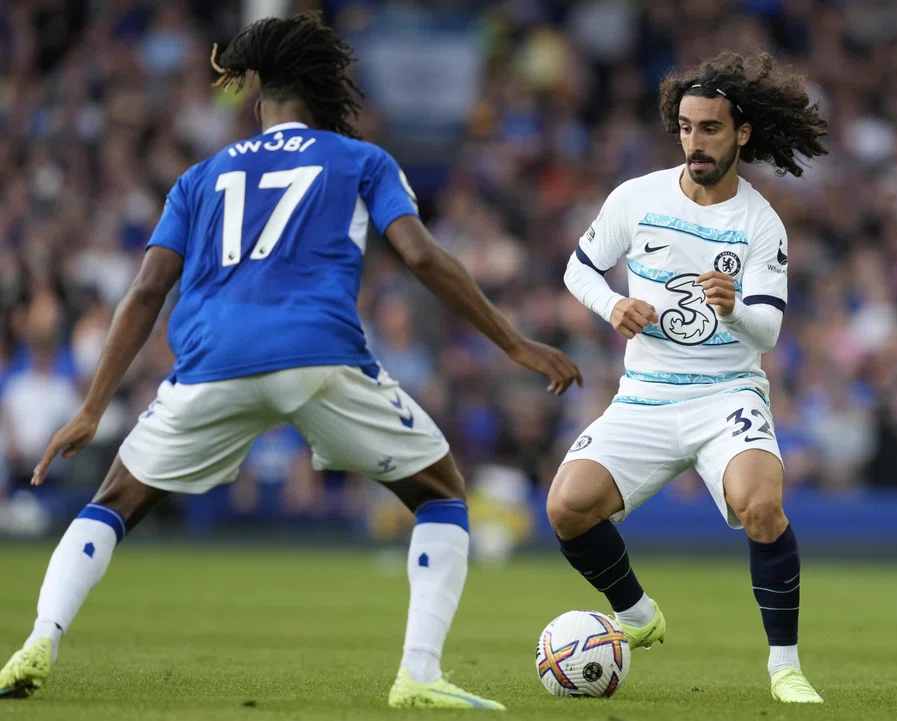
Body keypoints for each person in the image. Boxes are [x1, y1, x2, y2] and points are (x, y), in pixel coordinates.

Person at [0, 12, 581, 709]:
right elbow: (422, 256)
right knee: (441, 494)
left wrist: (93, 406)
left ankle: (39, 639)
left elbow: (147, 289)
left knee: (114, 501)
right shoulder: (361, 160)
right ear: (324, 93)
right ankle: (419, 674)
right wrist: (514, 342)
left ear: (258, 102)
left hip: (210, 360)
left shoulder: (200, 177)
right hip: (317, 352)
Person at [548, 51, 828, 703]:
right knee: (566, 508)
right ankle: (638, 615)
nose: (694, 141)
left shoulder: (760, 223)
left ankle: (785, 667)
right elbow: (578, 268)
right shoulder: (636, 198)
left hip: (726, 395)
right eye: (685, 127)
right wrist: (613, 305)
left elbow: (768, 330)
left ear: (742, 133)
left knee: (762, 507)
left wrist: (734, 310)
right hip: (644, 396)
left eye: (709, 128)